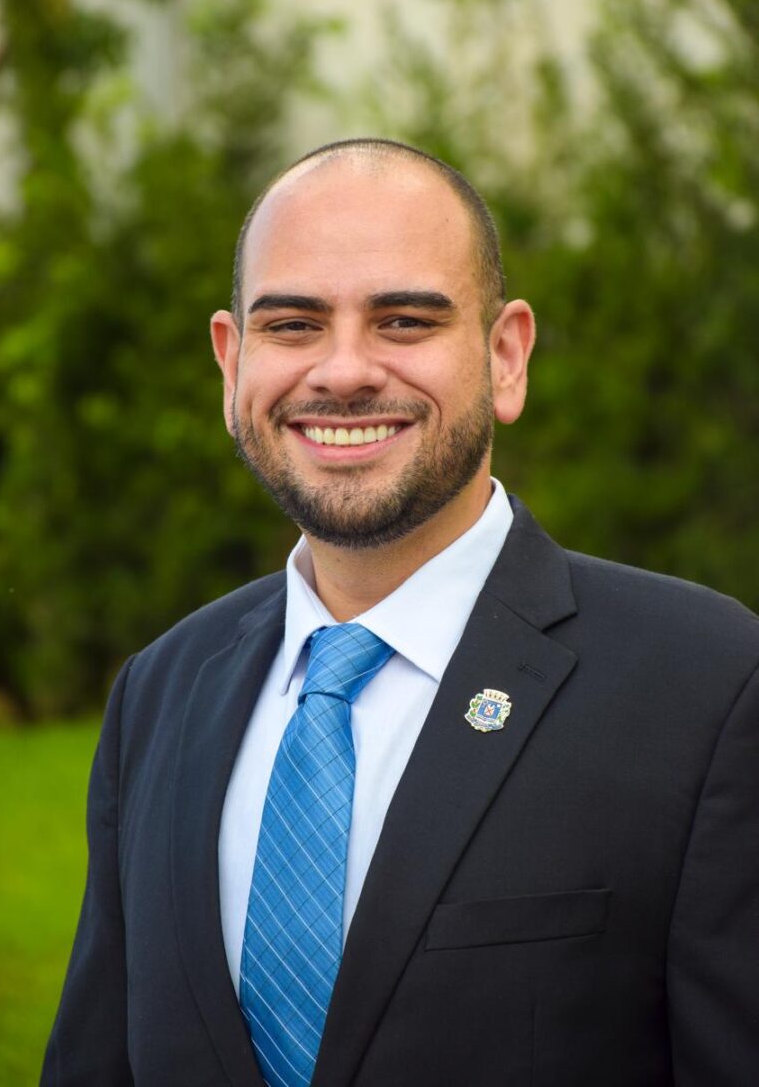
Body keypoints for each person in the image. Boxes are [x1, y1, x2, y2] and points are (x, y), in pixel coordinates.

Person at [42, 139, 759, 1087]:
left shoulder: (708, 686)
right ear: (231, 362)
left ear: (506, 357)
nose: (343, 371)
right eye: (293, 324)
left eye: (405, 320)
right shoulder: (160, 691)